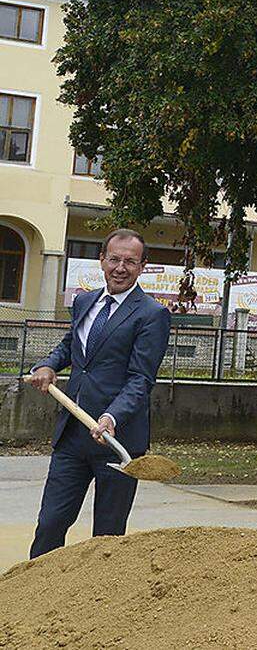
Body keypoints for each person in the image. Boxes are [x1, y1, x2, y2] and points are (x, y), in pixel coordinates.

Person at [27, 228, 170, 558]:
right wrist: (47, 366)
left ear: (142, 266)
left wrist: (111, 416)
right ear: (102, 260)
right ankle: (36, 596)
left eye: (130, 262)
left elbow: (140, 379)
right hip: (72, 436)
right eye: (115, 259)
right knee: (50, 523)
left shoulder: (152, 314)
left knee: (107, 537)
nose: (121, 268)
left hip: (117, 443)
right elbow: (69, 347)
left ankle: (97, 605)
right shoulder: (85, 301)